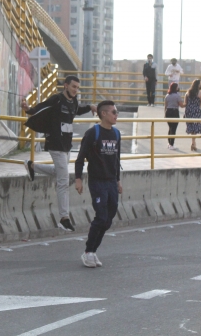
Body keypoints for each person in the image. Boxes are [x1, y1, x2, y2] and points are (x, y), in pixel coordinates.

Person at [22, 76, 96, 232]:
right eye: (73, 87)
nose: (76, 90)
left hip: (66, 145)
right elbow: (42, 107)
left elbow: (78, 110)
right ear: (66, 86)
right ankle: (64, 218)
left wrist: (90, 107)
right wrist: (29, 109)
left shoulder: (73, 102)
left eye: (77, 87)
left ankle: (32, 166)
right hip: (55, 144)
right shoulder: (57, 99)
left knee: (58, 172)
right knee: (63, 180)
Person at [75, 100, 122, 268]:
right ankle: (88, 251)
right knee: (101, 217)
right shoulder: (92, 133)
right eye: (114, 112)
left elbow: (116, 160)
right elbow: (80, 158)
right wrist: (78, 178)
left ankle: (93, 251)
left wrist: (117, 180)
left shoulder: (116, 134)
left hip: (111, 182)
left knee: (108, 220)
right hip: (97, 181)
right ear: (104, 114)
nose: (117, 115)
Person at [184, 79, 201, 151]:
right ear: (198, 85)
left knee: (191, 126)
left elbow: (185, 103)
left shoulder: (188, 92)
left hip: (188, 111)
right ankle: (193, 143)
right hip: (196, 111)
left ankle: (193, 143)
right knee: (195, 126)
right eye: (200, 84)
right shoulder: (200, 93)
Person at [164, 82, 185, 149]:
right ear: (175, 88)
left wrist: (165, 114)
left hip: (168, 111)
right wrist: (187, 103)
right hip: (174, 112)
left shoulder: (167, 96)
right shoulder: (177, 96)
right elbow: (181, 105)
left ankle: (169, 143)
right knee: (174, 129)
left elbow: (165, 106)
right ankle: (171, 144)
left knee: (170, 128)